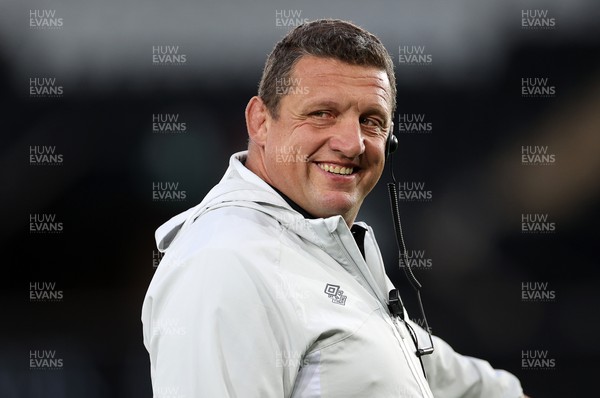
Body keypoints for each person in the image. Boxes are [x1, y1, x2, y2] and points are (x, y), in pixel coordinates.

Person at [141, 19, 528, 397]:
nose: (352, 143)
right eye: (322, 113)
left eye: (371, 121)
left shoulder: (321, 246)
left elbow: (446, 377)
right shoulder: (225, 262)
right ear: (260, 121)